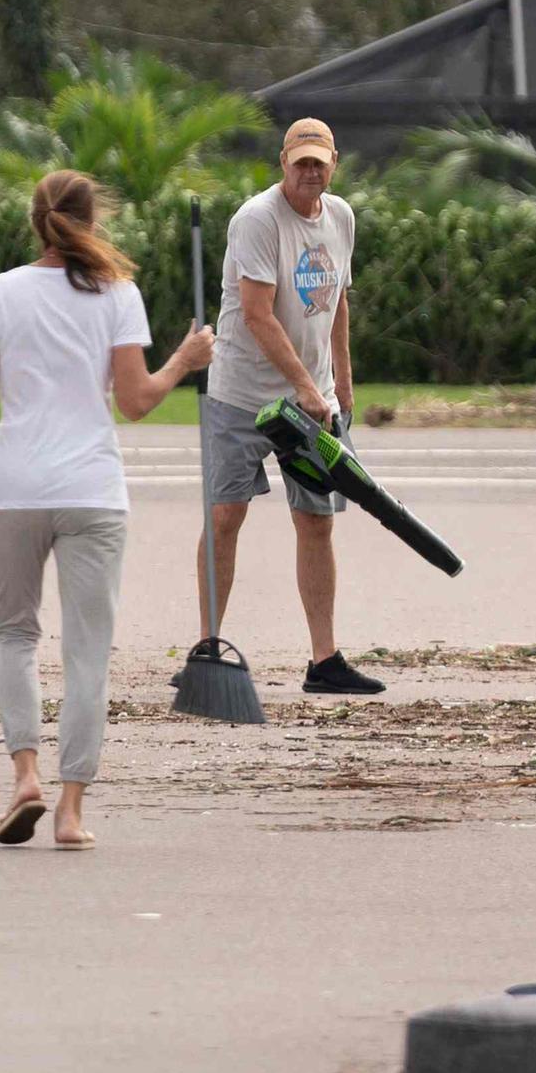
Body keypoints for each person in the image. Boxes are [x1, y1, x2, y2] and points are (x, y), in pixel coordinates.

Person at [0, 169, 211, 849]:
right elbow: (137, 401)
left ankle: (25, 774)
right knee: (88, 653)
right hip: (92, 492)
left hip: (16, 490)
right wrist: (185, 359)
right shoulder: (118, 294)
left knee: (11, 635)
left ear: (36, 221)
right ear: (91, 221)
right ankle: (71, 810)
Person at [199, 117, 381, 695]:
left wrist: (340, 387)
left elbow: (337, 303)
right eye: (300, 161)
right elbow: (257, 313)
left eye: (319, 162)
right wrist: (304, 385)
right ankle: (208, 648)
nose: (309, 171)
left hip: (314, 400)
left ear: (334, 164)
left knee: (316, 520)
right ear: (283, 162)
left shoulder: (341, 217)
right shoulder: (256, 220)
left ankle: (324, 662)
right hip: (241, 394)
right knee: (226, 516)